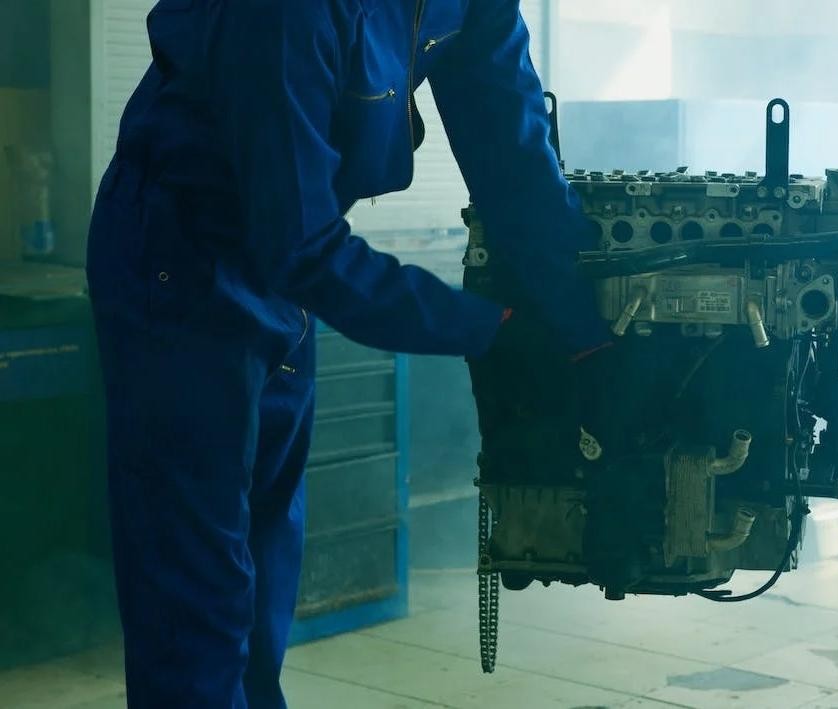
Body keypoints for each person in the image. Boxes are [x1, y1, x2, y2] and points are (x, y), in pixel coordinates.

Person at [86, 0, 610, 706]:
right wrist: (487, 328)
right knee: (200, 591)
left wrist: (590, 328)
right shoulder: (283, 14)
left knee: (264, 576)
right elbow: (298, 245)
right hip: (179, 259)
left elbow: (512, 154)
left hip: (280, 256)